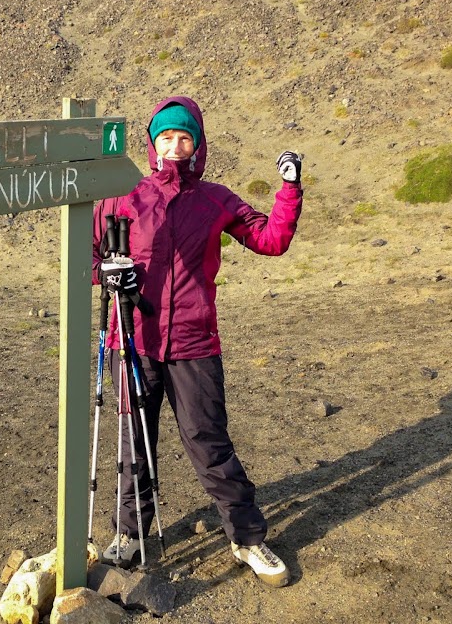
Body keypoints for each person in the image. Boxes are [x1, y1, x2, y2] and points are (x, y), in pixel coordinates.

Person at [92, 95, 303, 587]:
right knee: (133, 444)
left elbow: (272, 239)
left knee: (209, 444)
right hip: (135, 341)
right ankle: (130, 534)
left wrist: (289, 189)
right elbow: (88, 252)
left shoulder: (215, 199)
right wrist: (107, 272)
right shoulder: (122, 196)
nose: (174, 145)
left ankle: (247, 537)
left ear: (197, 145)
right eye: (165, 137)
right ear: (152, 144)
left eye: (184, 137)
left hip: (195, 344)